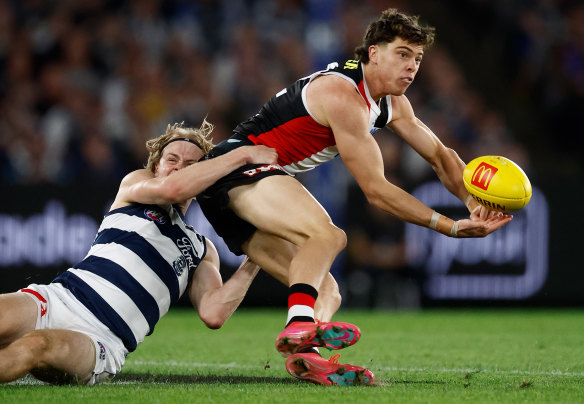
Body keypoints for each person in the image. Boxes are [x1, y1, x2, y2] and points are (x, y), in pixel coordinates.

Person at [196, 8, 513, 386]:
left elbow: (441, 156)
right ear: (373, 53)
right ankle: (299, 326)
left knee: (328, 291)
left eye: (417, 58)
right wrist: (450, 227)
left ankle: (307, 355)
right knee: (329, 236)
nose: (412, 67)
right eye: (402, 54)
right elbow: (376, 191)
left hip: (238, 194)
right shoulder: (342, 93)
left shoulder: (392, 104)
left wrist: (471, 201)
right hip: (235, 169)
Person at [0, 121, 278, 385]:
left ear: (204, 177)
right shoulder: (134, 186)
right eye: (172, 160)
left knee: (35, 346)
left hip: (100, 340)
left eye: (192, 165)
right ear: (156, 166)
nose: (179, 168)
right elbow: (172, 189)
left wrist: (256, 255)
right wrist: (242, 155)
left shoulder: (201, 250)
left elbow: (213, 313)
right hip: (58, 298)